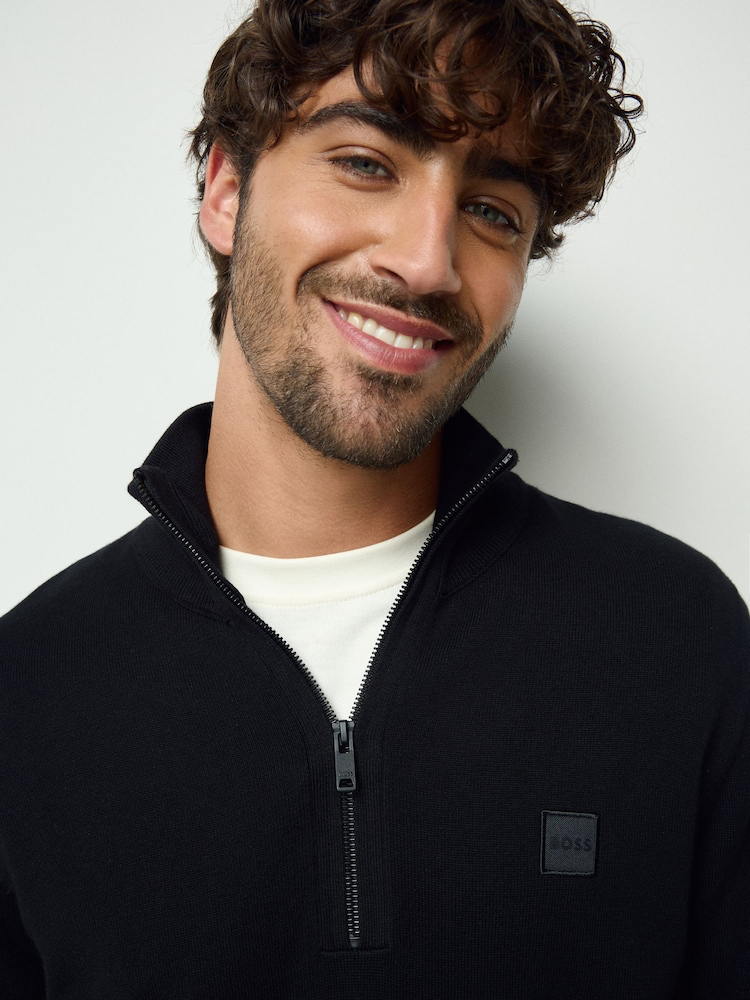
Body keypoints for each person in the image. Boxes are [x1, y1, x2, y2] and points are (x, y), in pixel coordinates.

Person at [1, 0, 748, 996]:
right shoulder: (28, 691)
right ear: (226, 190)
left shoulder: (675, 635)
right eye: (365, 163)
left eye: (493, 212)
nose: (428, 261)